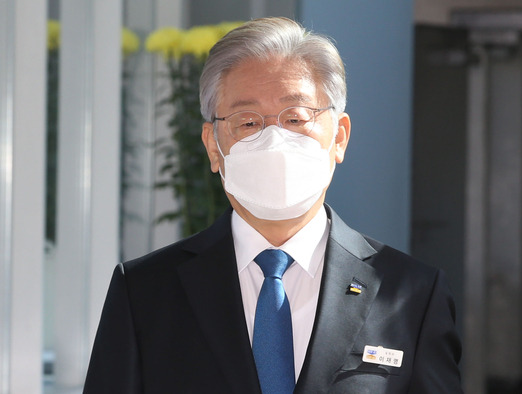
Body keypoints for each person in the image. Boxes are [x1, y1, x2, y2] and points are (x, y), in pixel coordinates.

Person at [84, 16, 462, 393]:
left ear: (339, 137)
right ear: (213, 145)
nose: (274, 141)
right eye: (247, 123)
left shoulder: (412, 293)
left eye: (296, 118)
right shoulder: (144, 293)